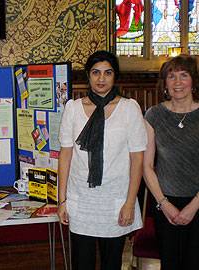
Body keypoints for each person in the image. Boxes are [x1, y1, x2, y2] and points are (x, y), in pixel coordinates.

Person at [57, 50, 147, 270]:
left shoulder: (129, 108)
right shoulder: (73, 109)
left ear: (115, 76)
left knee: (111, 264)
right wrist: (61, 201)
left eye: (107, 73)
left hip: (115, 202)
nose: (101, 78)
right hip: (82, 202)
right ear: (88, 75)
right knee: (82, 264)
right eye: (96, 72)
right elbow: (65, 155)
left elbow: (137, 159)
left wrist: (129, 203)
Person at [143, 55, 199, 270]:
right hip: (165, 203)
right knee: (170, 264)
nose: (177, 82)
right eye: (171, 76)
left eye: (184, 76)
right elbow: (147, 166)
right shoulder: (154, 115)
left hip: (198, 201)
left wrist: (193, 206)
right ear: (164, 83)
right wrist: (164, 204)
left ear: (193, 81)